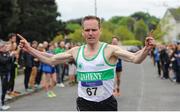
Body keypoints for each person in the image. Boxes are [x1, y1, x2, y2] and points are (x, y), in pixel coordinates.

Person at [17, 15, 155, 111]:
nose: (90, 33)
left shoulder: (109, 50)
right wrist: (29, 49)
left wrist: (147, 49)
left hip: (106, 104)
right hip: (84, 104)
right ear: (83, 32)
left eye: (94, 30)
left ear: (100, 31)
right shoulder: (76, 51)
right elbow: (51, 59)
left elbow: (135, 59)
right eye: (87, 30)